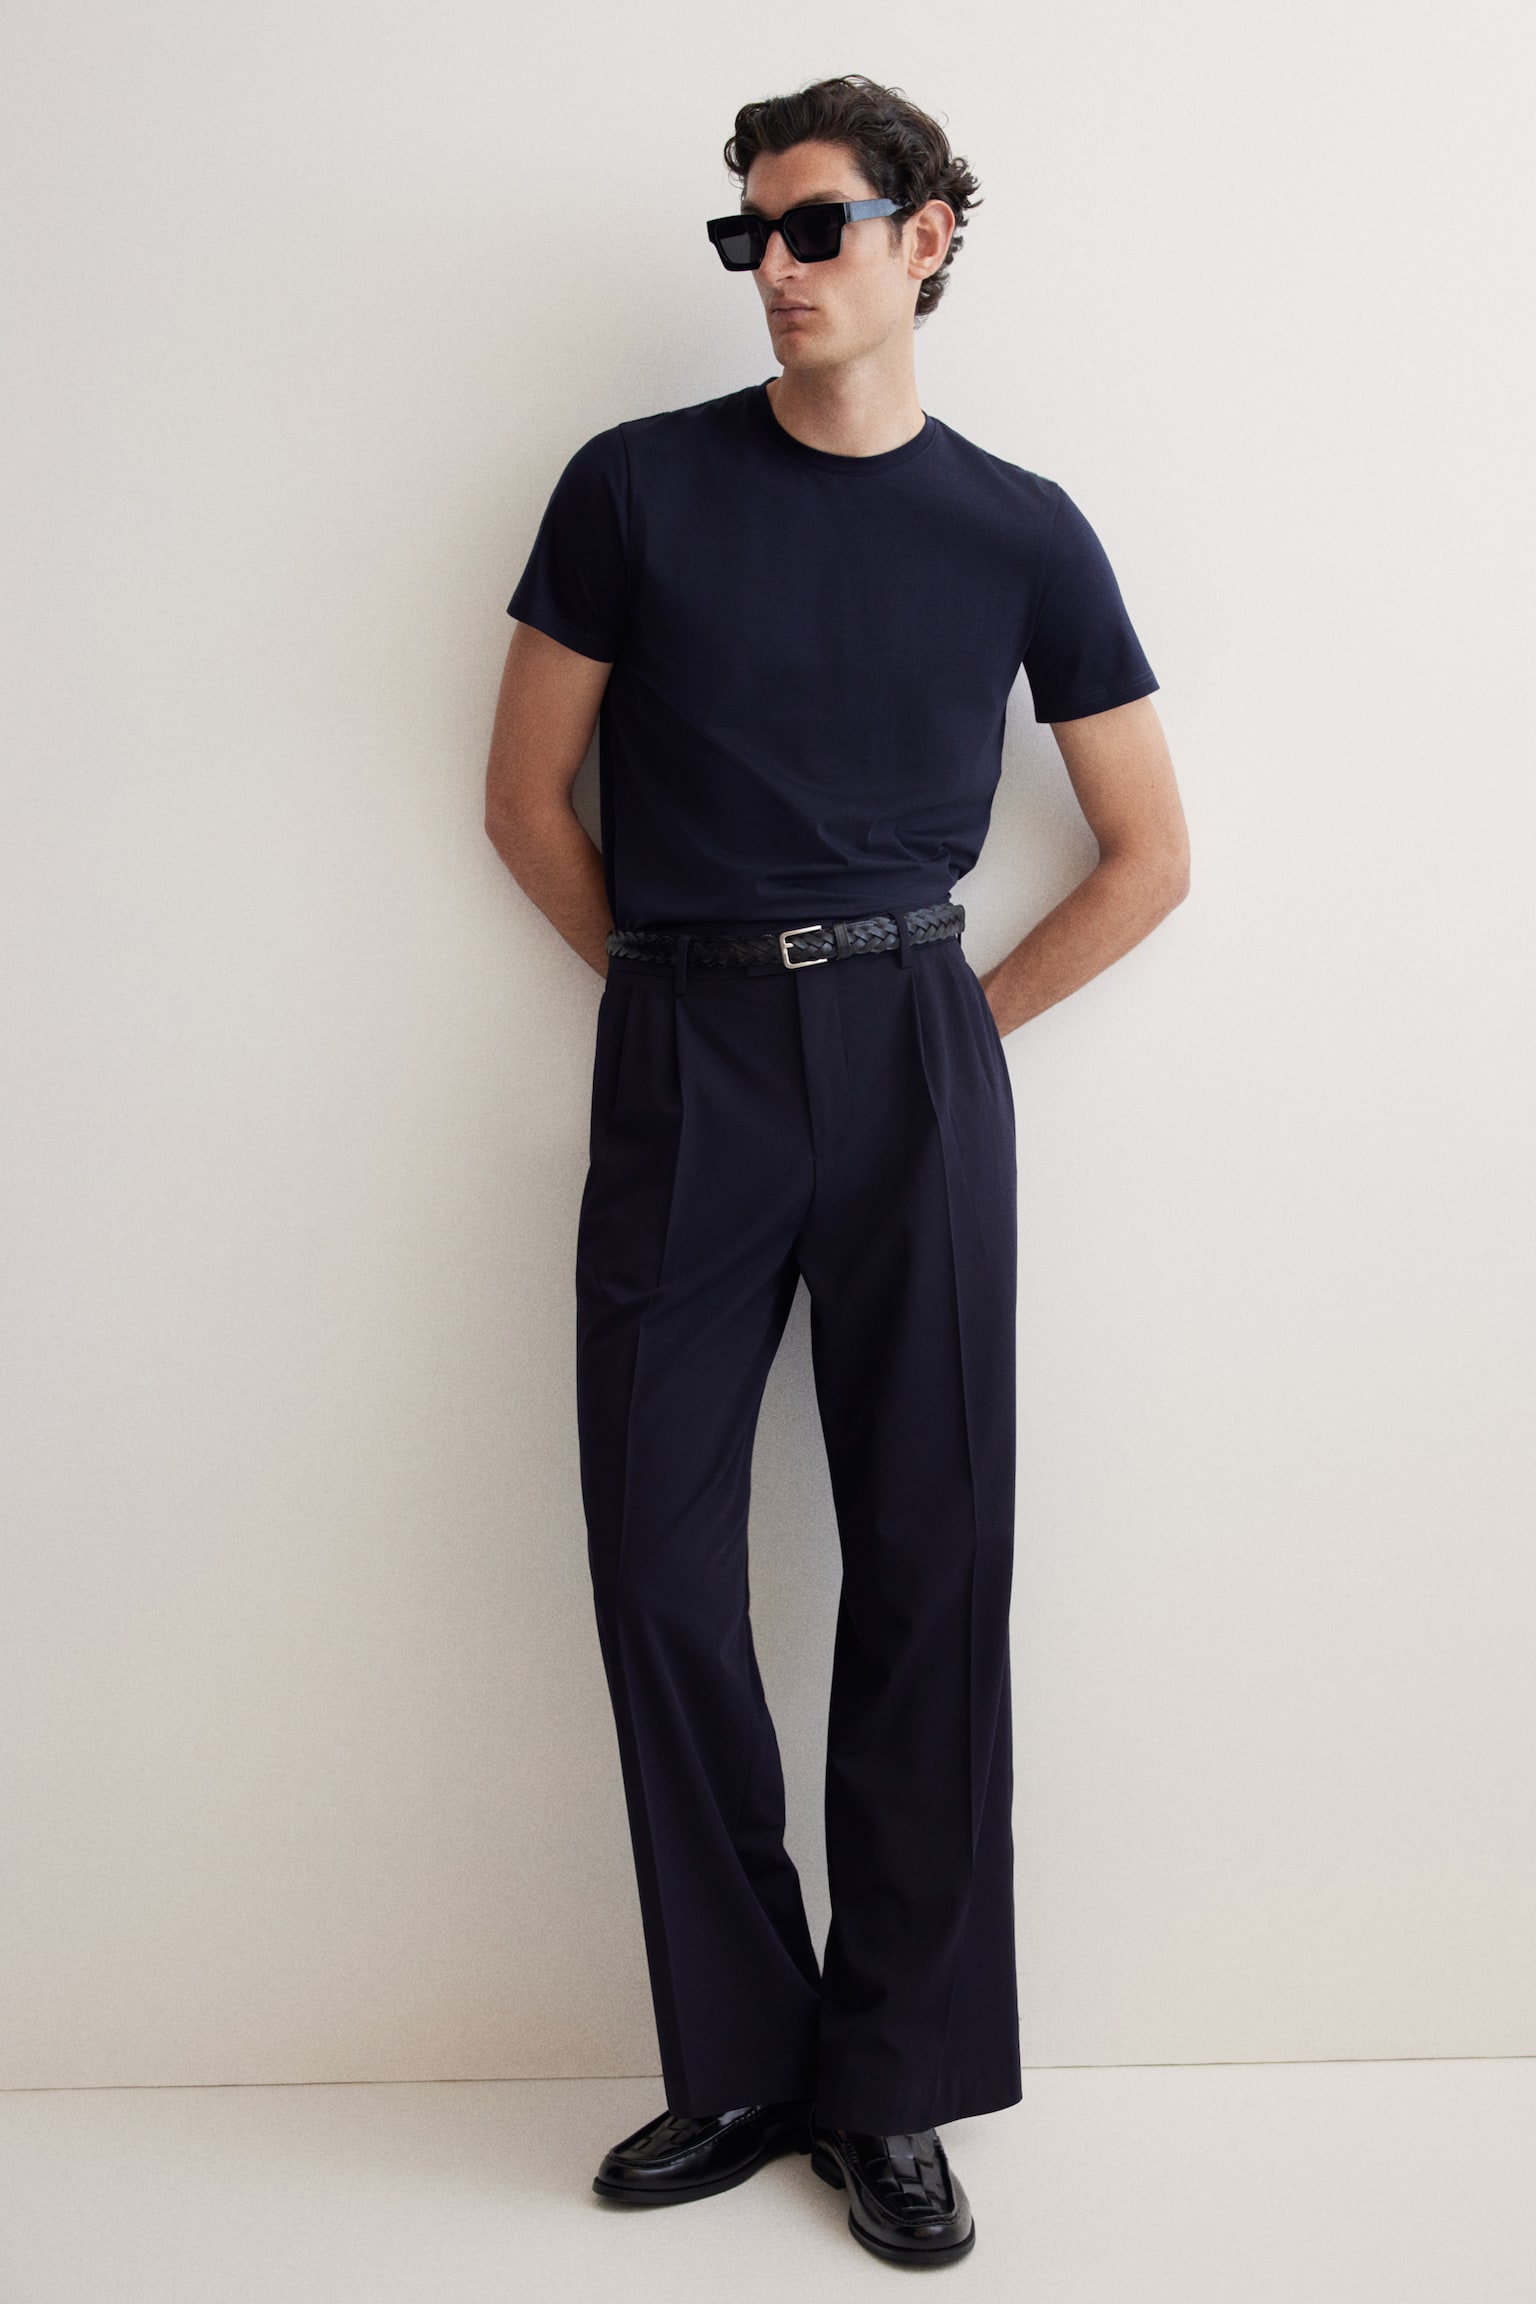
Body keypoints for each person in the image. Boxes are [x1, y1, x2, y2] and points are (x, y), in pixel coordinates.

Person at [484, 73, 1189, 2269]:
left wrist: (939, 1034)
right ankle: (743, 2054)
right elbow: (523, 801)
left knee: (931, 1569)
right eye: (751, 236)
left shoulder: (1021, 529)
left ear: (927, 236)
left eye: (816, 227)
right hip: (686, 1050)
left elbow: (1149, 853)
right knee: (657, 1568)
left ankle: (893, 2084)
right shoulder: (636, 486)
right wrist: (687, 1000)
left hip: (914, 1051)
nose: (776, 269)